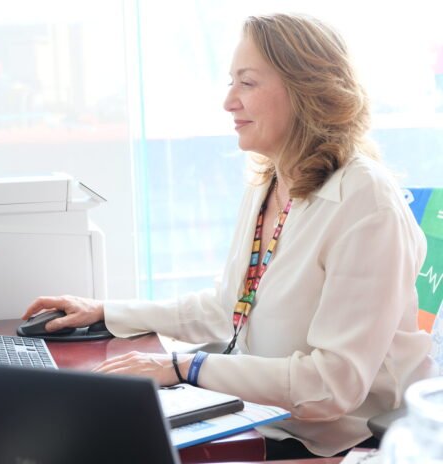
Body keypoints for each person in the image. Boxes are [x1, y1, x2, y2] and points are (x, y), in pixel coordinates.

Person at [22, 13, 435, 459]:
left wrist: (184, 366)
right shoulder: (270, 182)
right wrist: (107, 311)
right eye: (230, 82)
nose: (228, 102)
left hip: (333, 441)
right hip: (261, 415)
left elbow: (332, 385)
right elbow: (230, 308)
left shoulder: (365, 203)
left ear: (308, 90)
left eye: (248, 83)